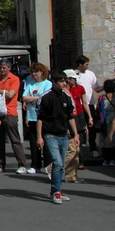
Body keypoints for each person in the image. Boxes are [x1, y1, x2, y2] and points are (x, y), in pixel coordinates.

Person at [37, 70, 78, 204]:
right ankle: (56, 191)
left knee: (61, 166)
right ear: (53, 82)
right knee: (58, 162)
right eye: (61, 81)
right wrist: (39, 137)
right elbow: (40, 118)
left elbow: (70, 116)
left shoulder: (66, 97)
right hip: (50, 134)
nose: (64, 83)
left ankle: (57, 189)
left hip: (63, 134)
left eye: (65, 81)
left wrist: (75, 134)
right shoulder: (46, 97)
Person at [0, 59, 27, 173]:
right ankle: (0, 163)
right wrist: (3, 91)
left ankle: (22, 164)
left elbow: (11, 94)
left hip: (10, 112)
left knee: (14, 139)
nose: (2, 70)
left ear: (9, 68)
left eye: (4, 68)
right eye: (0, 68)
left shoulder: (14, 79)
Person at [22, 63, 52, 174]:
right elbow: (24, 97)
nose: (34, 74)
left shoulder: (47, 84)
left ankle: (48, 164)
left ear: (42, 73)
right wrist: (35, 98)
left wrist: (33, 99)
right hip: (32, 116)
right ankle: (35, 164)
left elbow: (45, 98)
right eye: (33, 72)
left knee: (46, 141)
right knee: (33, 142)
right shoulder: (30, 84)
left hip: (44, 117)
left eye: (36, 72)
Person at [75, 55, 103, 158]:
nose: (87, 66)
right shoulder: (75, 75)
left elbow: (96, 88)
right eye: (86, 64)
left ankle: (93, 148)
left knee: (92, 127)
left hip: (90, 104)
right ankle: (80, 149)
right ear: (80, 64)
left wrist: (106, 85)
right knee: (81, 128)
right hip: (79, 105)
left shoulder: (91, 74)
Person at [95, 79, 115, 165]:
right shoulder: (114, 97)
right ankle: (113, 159)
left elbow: (98, 109)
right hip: (113, 120)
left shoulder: (101, 98)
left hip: (103, 120)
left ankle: (106, 159)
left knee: (104, 140)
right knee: (113, 139)